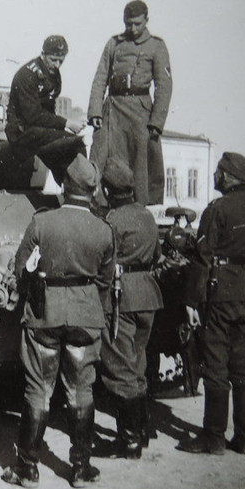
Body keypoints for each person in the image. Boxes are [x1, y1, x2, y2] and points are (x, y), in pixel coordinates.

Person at [1, 158, 115, 489]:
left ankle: (27, 469)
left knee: (38, 390)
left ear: (64, 187)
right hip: (85, 314)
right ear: (93, 190)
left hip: (44, 312)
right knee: (81, 390)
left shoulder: (42, 222)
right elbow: (105, 281)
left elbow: (20, 269)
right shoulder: (103, 230)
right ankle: (81, 469)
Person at [179, 153, 245, 455]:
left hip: (219, 294)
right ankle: (244, 438)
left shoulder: (217, 210)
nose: (215, 176)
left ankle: (213, 437)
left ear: (228, 176)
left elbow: (202, 258)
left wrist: (192, 301)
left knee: (216, 364)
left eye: (219, 172)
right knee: (243, 365)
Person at [100, 160, 164, 459]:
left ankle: (129, 442)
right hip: (148, 294)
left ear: (107, 190)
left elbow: (104, 261)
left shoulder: (112, 220)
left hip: (121, 295)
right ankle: (142, 432)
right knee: (137, 365)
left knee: (120, 367)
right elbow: (158, 255)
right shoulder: (147, 216)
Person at [88, 0, 173, 206]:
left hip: (140, 112)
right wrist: (95, 112)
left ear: (146, 21)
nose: (132, 29)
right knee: (99, 156)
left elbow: (164, 85)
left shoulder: (156, 46)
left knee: (141, 162)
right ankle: (98, 206)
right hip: (113, 108)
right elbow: (100, 78)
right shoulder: (113, 43)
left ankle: (141, 210)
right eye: (128, 24)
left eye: (137, 24)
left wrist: (156, 122)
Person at [5, 34, 89, 186]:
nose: (57, 65)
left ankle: (72, 189)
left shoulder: (54, 75)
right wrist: (66, 123)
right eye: (53, 59)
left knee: (74, 145)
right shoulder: (26, 75)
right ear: (43, 54)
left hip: (39, 131)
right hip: (22, 132)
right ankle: (72, 188)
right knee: (69, 144)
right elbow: (33, 116)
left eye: (61, 60)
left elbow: (49, 111)